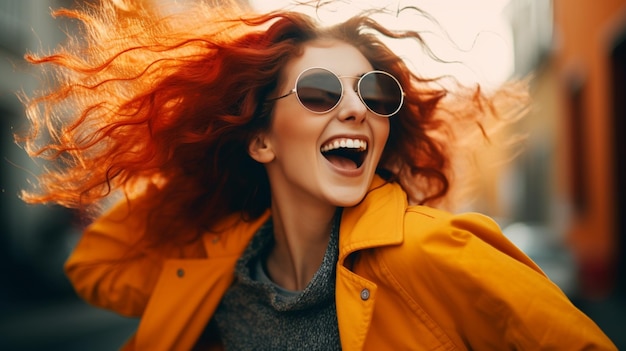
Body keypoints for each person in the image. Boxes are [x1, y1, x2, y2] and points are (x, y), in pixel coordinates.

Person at [17, 0, 617, 350]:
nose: (356, 108)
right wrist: (201, 172)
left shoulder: (434, 253)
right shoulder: (214, 263)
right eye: (319, 91)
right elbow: (94, 265)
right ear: (259, 139)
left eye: (374, 94)